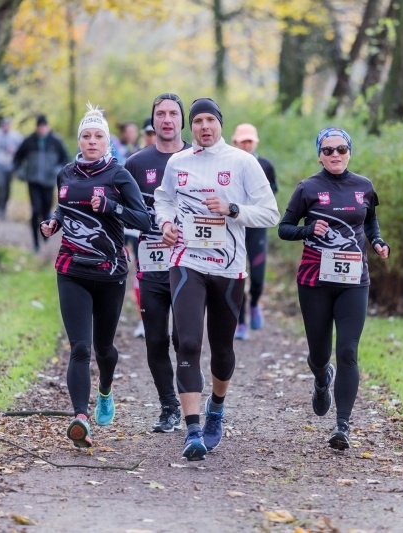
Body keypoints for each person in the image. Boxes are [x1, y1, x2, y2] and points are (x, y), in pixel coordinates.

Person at [154, 97, 280, 460]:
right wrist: (165, 224)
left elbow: (270, 213)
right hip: (186, 261)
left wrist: (233, 209)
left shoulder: (242, 162)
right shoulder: (178, 163)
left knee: (222, 351)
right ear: (189, 127)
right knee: (188, 341)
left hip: (228, 267)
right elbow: (162, 200)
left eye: (210, 120)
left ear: (220, 123)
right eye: (197, 122)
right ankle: (192, 429)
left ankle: (217, 407)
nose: (204, 127)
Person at [40, 105, 150, 448]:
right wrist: (54, 221)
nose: (91, 141)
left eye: (98, 136)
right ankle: (80, 418)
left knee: (104, 348)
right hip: (71, 269)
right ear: (79, 140)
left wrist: (112, 207)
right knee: (80, 348)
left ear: (107, 141)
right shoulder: (66, 173)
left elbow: (143, 221)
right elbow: (64, 205)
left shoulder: (118, 175)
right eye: (86, 136)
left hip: (110, 273)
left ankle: (105, 389)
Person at [277, 127, 390, 450]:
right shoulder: (307, 188)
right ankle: (320, 377)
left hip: (354, 281)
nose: (335, 155)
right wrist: (309, 229)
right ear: (319, 155)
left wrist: (378, 242)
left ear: (350, 152)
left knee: (348, 352)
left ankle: (342, 426)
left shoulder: (364, 186)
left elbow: (370, 221)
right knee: (319, 354)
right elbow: (284, 228)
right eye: (328, 150)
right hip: (315, 282)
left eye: (341, 149)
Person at [125, 93, 190, 433]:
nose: (167, 119)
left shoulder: (199, 157)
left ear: (182, 119)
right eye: (161, 114)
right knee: (155, 340)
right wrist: (123, 243)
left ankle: (189, 400)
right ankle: (168, 406)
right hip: (150, 265)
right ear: (153, 121)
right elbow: (123, 210)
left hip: (190, 265)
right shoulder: (136, 164)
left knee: (185, 339)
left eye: (173, 113)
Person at [230, 123, 278, 340]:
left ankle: (255, 303)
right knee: (237, 276)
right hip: (234, 228)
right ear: (235, 142)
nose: (247, 145)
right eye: (243, 141)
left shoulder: (266, 166)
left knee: (257, 278)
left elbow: (270, 198)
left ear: (256, 142)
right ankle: (240, 322)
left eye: (250, 141)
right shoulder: (228, 164)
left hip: (257, 228)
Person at [14, 114, 71, 252]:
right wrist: (20, 171)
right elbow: (17, 158)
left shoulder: (56, 142)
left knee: (46, 209)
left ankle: (45, 234)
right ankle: (36, 243)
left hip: (49, 182)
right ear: (37, 127)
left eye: (44, 127)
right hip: (33, 181)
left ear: (48, 127)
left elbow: (66, 159)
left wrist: (58, 170)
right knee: (35, 209)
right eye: (40, 127)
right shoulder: (29, 141)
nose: (42, 129)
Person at [0, 117, 23, 219]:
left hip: (9, 166)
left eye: (8, 125)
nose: (6, 127)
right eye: (4, 125)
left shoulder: (16, 137)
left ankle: (3, 208)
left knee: (7, 187)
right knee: (0, 185)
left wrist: (14, 151)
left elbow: (21, 150)